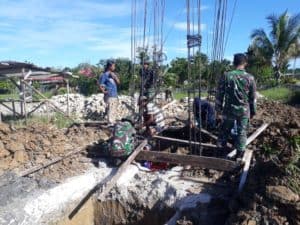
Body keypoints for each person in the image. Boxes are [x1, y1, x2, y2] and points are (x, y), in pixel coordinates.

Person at [215, 53, 256, 158]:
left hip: (229, 109)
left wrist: (218, 110)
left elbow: (219, 94)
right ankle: (239, 155)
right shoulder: (250, 78)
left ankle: (220, 153)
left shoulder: (226, 76)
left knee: (224, 131)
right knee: (242, 132)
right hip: (244, 110)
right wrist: (253, 112)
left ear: (234, 62)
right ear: (245, 63)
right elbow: (252, 98)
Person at [99, 59, 120, 124]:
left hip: (114, 95)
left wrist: (114, 77)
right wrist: (104, 92)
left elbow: (118, 83)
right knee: (110, 110)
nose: (114, 67)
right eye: (113, 66)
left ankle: (112, 123)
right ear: (109, 66)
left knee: (113, 110)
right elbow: (101, 85)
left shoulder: (113, 74)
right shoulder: (104, 75)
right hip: (110, 95)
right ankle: (110, 125)